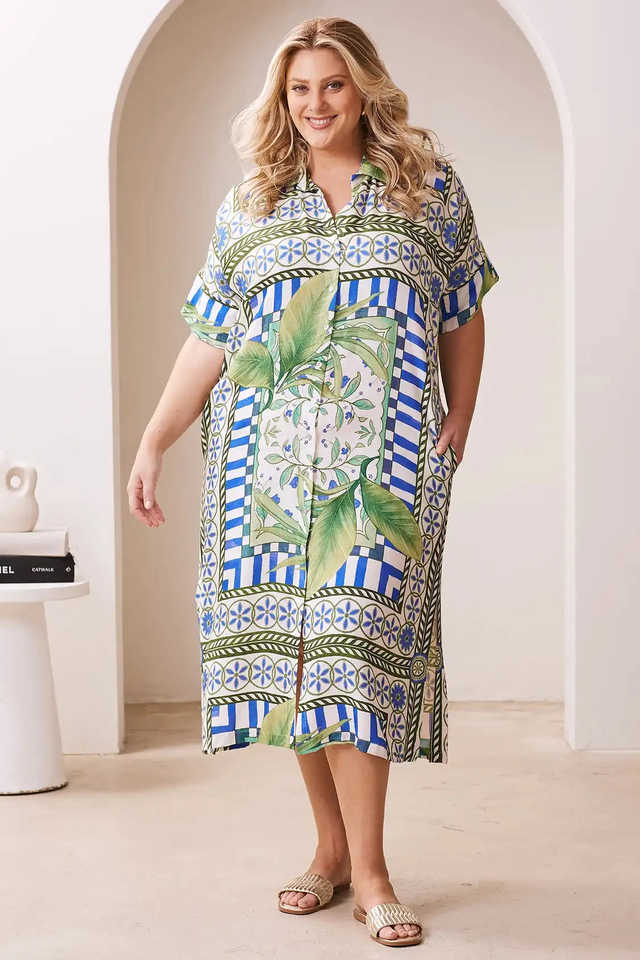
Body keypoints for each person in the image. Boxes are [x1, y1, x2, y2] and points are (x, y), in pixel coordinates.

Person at [127, 16, 499, 948]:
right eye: (300, 88)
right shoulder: (251, 203)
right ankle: (331, 852)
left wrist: (460, 411)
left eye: (333, 84)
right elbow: (211, 336)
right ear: (282, 98)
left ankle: (372, 872)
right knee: (296, 663)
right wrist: (155, 439)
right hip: (264, 471)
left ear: (363, 88)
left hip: (384, 468)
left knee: (352, 648)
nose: (316, 103)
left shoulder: (427, 189)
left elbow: (462, 307)